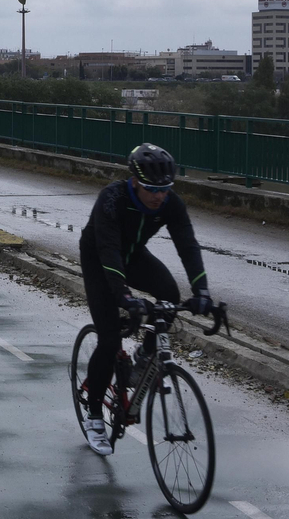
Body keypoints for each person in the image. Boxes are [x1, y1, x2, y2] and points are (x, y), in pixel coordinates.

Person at [77, 143, 212, 455]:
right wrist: (125, 297)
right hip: (100, 259)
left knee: (170, 296)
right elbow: (109, 250)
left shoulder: (170, 203)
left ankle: (143, 357)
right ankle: (95, 415)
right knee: (109, 340)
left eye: (165, 189)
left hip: (134, 255)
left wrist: (202, 291)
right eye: (152, 188)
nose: (159, 196)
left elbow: (188, 245)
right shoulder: (112, 198)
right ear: (135, 181)